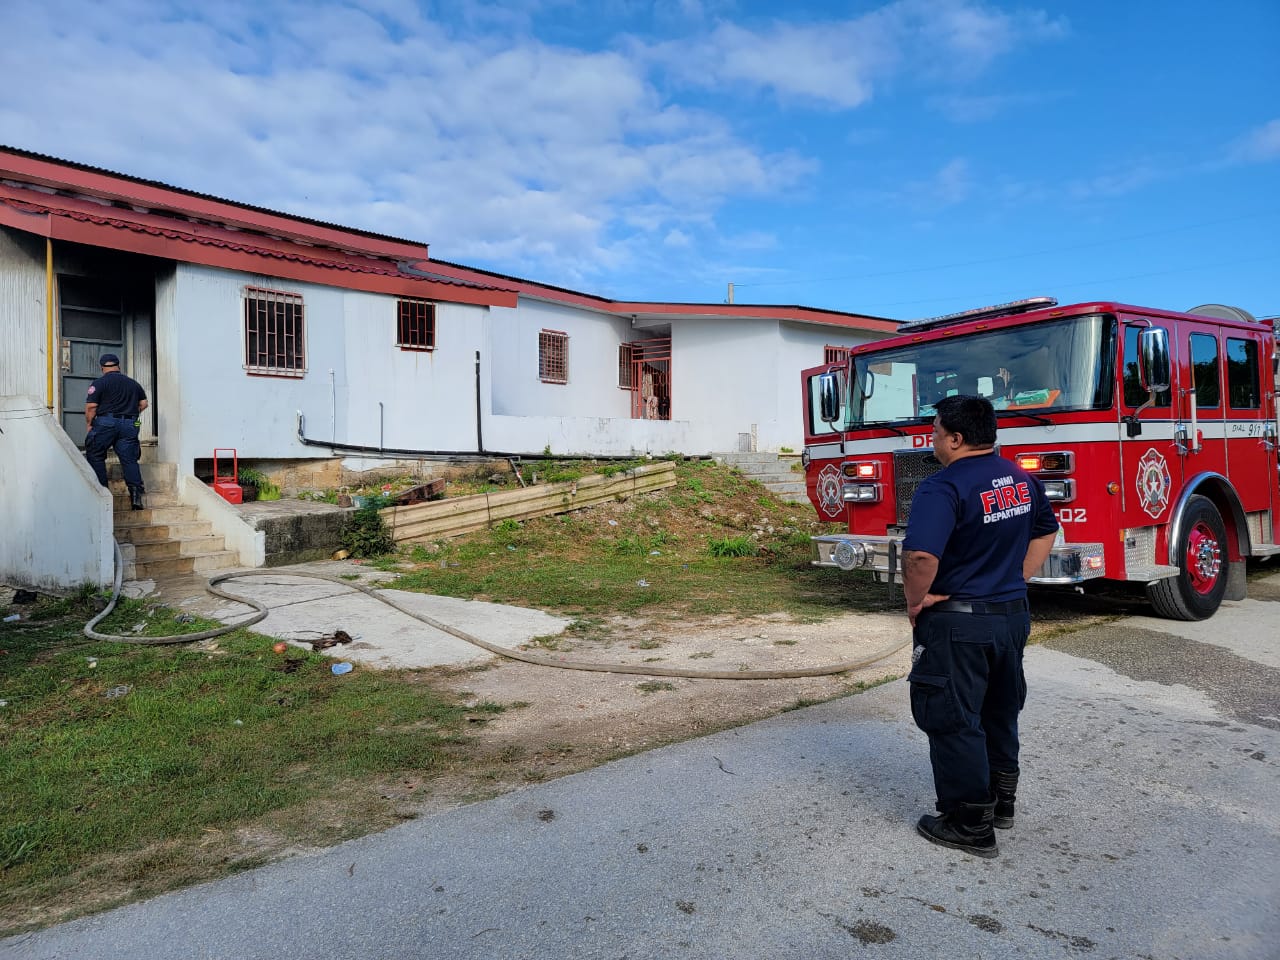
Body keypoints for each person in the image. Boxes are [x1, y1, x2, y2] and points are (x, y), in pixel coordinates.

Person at [900, 395, 1058, 858]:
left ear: (956, 437)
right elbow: (1046, 530)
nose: (931, 438)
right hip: (1010, 616)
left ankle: (969, 823)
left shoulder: (942, 487)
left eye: (934, 431)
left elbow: (920, 556)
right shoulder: (1019, 479)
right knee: (999, 710)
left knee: (954, 718)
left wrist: (915, 602)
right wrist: (1016, 577)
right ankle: (1002, 805)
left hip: (958, 623)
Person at [84, 353, 148, 510]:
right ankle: (135, 497)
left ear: (102, 367)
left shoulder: (99, 383)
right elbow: (144, 403)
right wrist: (133, 416)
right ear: (118, 366)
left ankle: (103, 494)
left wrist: (90, 424)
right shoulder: (133, 383)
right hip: (130, 424)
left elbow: (91, 407)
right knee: (129, 459)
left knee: (95, 453)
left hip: (106, 422)